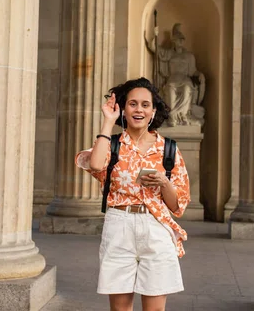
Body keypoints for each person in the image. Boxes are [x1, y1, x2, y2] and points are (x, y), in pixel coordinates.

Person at [75, 77, 191, 311]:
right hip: (119, 225)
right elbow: (96, 165)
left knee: (155, 309)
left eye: (145, 104)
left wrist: (164, 183)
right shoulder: (113, 144)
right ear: (123, 110)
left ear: (153, 110)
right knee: (120, 309)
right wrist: (108, 122)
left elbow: (178, 205)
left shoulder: (168, 148)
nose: (139, 109)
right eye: (133, 104)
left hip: (156, 226)